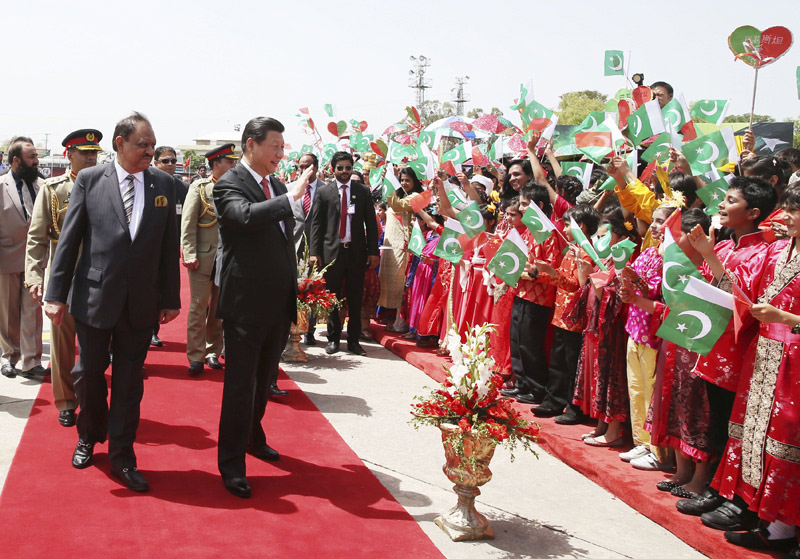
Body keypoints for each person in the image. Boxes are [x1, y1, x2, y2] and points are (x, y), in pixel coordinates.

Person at [44, 112, 181, 493]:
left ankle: (123, 456)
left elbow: (169, 247)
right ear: (120, 143)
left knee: (128, 384)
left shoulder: (164, 185)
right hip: (93, 298)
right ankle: (88, 435)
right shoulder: (90, 181)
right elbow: (69, 241)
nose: (150, 152)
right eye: (143, 145)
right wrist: (55, 295)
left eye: (154, 145)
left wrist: (170, 298)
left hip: (140, 303)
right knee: (88, 376)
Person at [213, 116, 314, 498]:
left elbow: (284, 238)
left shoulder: (276, 184)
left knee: (263, 383)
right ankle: (231, 463)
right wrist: (288, 200)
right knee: (240, 386)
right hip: (245, 303)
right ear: (251, 145)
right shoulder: (229, 184)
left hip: (276, 300)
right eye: (274, 146)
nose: (280, 154)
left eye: (282, 147)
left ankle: (254, 437)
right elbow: (243, 218)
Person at [700, 184, 800, 556]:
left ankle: (781, 528)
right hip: (766, 355)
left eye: (793, 210)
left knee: (785, 442)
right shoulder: (780, 250)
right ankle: (762, 517)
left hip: (794, 361)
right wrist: (711, 258)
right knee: (756, 435)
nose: (785, 216)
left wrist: (785, 317)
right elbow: (741, 296)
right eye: (786, 208)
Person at [25, 128, 103, 426]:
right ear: (69, 155)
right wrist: (34, 276)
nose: (91, 158)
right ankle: (67, 401)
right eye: (85, 153)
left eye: (94, 153)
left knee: (96, 343)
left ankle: (91, 397)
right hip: (65, 275)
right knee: (62, 343)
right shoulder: (53, 189)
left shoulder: (106, 186)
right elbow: (37, 236)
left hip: (98, 274)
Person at [309, 151, 379, 356]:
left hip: (356, 253)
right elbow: (316, 224)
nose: (345, 171)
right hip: (331, 253)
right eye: (340, 167)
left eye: (348, 167)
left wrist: (373, 251)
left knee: (355, 298)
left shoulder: (363, 191)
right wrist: (315, 252)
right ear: (333, 169)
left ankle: (354, 341)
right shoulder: (324, 192)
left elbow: (371, 225)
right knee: (332, 297)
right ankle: (333, 339)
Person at [180, 143, 237, 376]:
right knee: (198, 306)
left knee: (218, 308)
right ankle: (196, 355)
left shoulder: (236, 188)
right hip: (203, 257)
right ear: (216, 163)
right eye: (229, 161)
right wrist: (189, 252)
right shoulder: (200, 187)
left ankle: (213, 351)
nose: (234, 165)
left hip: (227, 259)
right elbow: (188, 222)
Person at [0, 137, 45, 379]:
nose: (37, 162)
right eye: (32, 157)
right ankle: (9, 358)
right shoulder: (1, 186)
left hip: (35, 261)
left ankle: (32, 362)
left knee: (33, 312)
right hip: (6, 259)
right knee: (8, 314)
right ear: (16, 161)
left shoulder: (41, 186)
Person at [377, 167, 424, 334]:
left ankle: (401, 322)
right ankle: (393, 319)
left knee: (401, 285)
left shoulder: (417, 197)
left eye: (407, 180)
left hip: (405, 247)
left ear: (415, 182)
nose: (404, 183)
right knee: (389, 284)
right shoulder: (401, 193)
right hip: (391, 247)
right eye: (402, 180)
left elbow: (396, 205)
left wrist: (391, 185)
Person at [151, 145, 189, 347]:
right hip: (147, 247)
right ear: (156, 162)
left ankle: (154, 330)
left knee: (161, 290)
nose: (170, 165)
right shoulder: (147, 183)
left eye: (173, 161)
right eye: (165, 161)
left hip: (170, 246)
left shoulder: (182, 188)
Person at [291, 152, 323, 346]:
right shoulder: (288, 189)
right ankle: (292, 328)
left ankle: (309, 330)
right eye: (301, 167)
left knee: (312, 289)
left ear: (316, 167)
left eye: (307, 166)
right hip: (292, 247)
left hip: (315, 249)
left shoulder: (326, 190)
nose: (303, 170)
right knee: (292, 289)